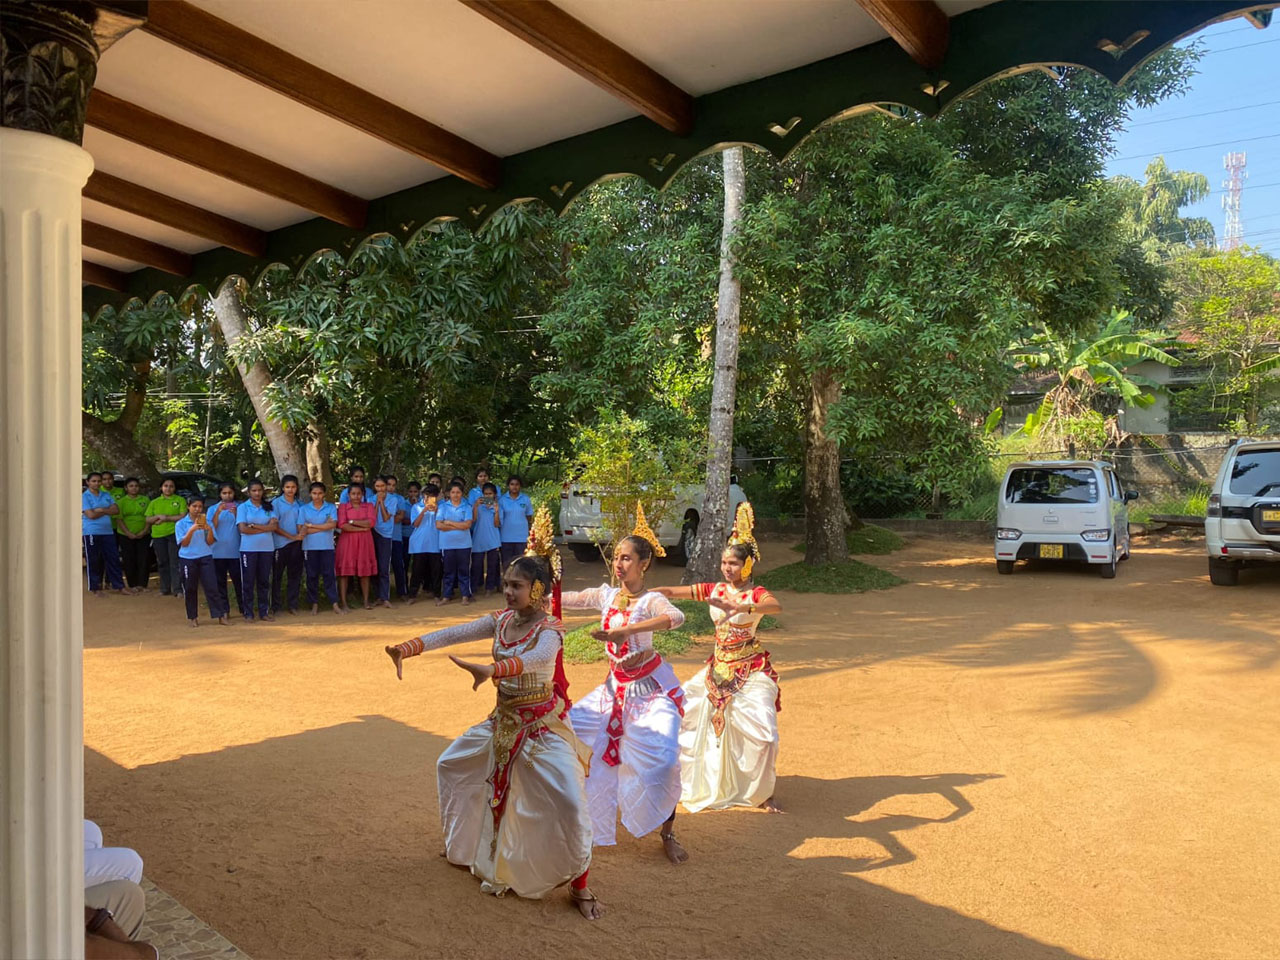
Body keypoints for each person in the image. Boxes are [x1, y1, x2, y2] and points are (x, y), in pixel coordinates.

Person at [384, 556, 601, 919]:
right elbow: (454, 633)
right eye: (505, 584)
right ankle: (466, 847)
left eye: (516, 585)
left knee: (571, 802)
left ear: (537, 590)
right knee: (450, 764)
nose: (507, 592)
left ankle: (581, 885)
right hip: (501, 721)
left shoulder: (550, 630)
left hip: (541, 727)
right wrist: (408, 648)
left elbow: (537, 659)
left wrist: (493, 669)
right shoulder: (500, 621)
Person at [563, 504, 689, 865]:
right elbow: (571, 599)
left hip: (650, 693)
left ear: (644, 563)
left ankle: (668, 831)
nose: (619, 564)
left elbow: (676, 617)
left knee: (664, 760)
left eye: (627, 558)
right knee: (566, 735)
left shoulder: (651, 601)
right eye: (616, 557)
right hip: (611, 691)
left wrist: (628, 630)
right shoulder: (606, 595)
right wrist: (542, 592)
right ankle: (572, 819)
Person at [653, 502, 784, 814]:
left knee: (764, 732)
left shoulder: (756, 594)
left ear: (748, 565)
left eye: (734, 564)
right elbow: (676, 591)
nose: (728, 568)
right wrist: (652, 592)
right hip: (717, 669)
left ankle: (760, 792)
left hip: (750, 670)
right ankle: (689, 781)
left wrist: (745, 608)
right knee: (683, 711)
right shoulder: (716, 590)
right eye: (725, 562)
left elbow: (775, 606)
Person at [175, 497, 230, 627]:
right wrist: (192, 529)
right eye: (194, 506)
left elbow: (210, 542)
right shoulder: (181, 524)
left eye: (200, 507)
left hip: (205, 556)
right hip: (188, 558)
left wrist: (209, 529)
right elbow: (184, 543)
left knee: (212, 586)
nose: (197, 509)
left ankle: (220, 616)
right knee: (190, 588)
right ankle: (192, 617)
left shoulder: (208, 522)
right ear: (188, 507)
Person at [236, 479, 278, 622]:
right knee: (248, 581)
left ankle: (264, 611)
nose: (257, 493)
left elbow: (274, 527)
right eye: (254, 491)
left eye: (259, 490)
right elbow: (243, 529)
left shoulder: (269, 507)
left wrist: (255, 526)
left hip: (267, 549)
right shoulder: (243, 508)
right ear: (248, 492)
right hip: (248, 549)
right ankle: (248, 613)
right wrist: (264, 528)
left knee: (264, 581)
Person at [298, 481, 342, 615]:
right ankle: (314, 604)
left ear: (324, 494)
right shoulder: (304, 509)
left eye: (320, 493)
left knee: (329, 574)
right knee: (312, 575)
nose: (317, 496)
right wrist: (323, 526)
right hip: (309, 547)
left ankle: (334, 603)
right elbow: (301, 530)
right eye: (314, 493)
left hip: (327, 546)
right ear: (310, 494)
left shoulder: (330, 507)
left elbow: (333, 525)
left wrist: (311, 526)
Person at [82, 472, 127, 597]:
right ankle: (95, 587)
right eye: (94, 481)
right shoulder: (84, 497)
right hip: (91, 532)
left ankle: (119, 586)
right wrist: (106, 511)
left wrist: (101, 510)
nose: (97, 483)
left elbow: (116, 510)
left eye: (98, 481)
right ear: (88, 482)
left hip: (107, 531)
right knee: (93, 560)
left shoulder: (106, 495)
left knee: (113, 558)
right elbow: (90, 515)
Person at [335, 482, 376, 611]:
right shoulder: (343, 507)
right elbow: (342, 525)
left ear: (363, 494)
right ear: (348, 495)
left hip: (365, 542)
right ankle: (344, 603)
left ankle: (365, 601)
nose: (356, 496)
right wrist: (362, 528)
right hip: (347, 542)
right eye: (353, 493)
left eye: (359, 493)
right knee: (344, 572)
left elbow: (371, 522)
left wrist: (352, 522)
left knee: (365, 572)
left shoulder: (369, 506)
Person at [210, 483, 246, 619]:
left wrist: (236, 514)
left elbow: (243, 527)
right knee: (220, 583)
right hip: (217, 552)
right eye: (224, 493)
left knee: (239, 581)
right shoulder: (213, 509)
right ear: (220, 494)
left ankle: (244, 609)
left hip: (236, 551)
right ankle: (224, 610)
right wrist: (218, 512)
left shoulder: (240, 507)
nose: (227, 496)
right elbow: (211, 527)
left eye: (230, 493)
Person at [271, 474, 306, 615]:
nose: (290, 490)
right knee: (277, 576)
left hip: (297, 544)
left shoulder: (300, 504)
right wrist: (291, 536)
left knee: (295, 576)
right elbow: (275, 526)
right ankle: (276, 606)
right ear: (282, 488)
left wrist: (301, 534)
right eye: (287, 487)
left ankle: (293, 605)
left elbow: (304, 522)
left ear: (297, 488)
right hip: (280, 544)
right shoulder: (276, 503)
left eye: (293, 487)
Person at [144, 478, 185, 598]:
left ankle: (177, 589)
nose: (168, 488)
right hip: (158, 535)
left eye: (171, 486)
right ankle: (164, 588)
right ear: (161, 488)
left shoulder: (180, 500)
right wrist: (157, 517)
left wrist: (166, 518)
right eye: (165, 486)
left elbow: (182, 516)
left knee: (175, 562)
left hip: (174, 534)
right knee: (162, 562)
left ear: (175, 488)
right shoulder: (154, 502)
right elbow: (147, 519)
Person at [436, 480, 474, 604]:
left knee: (464, 570)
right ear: (449, 493)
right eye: (453, 492)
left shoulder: (467, 507)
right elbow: (439, 525)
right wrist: (458, 525)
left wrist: (450, 522)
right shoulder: (442, 507)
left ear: (462, 493)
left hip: (464, 544)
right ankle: (446, 596)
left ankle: (465, 596)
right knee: (448, 571)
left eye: (458, 492)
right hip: (447, 545)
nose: (455, 495)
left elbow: (467, 525)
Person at [406, 482, 442, 604]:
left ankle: (437, 594)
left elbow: (442, 523)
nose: (428, 498)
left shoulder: (441, 507)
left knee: (436, 571)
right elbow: (415, 524)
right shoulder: (416, 507)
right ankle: (412, 595)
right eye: (426, 495)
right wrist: (424, 511)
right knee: (416, 571)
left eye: (432, 496)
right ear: (423, 495)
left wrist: (436, 510)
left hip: (435, 543)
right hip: (419, 544)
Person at [115, 478, 151, 593]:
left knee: (144, 559)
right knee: (129, 559)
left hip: (143, 534)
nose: (134, 488)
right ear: (126, 488)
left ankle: (143, 584)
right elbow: (119, 519)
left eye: (136, 485)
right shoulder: (121, 502)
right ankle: (132, 584)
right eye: (131, 486)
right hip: (125, 535)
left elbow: (149, 517)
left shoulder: (145, 500)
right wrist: (128, 533)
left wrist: (145, 531)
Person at [369, 476, 400, 609]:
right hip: (373, 533)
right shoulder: (370, 499)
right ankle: (378, 596)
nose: (381, 489)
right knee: (374, 566)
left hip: (386, 534)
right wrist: (377, 502)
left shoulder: (393, 499)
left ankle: (385, 597)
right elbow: (373, 518)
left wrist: (381, 503)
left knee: (384, 566)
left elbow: (387, 517)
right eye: (378, 487)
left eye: (383, 486)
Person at [470, 482, 502, 595]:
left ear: (494, 495)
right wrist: (475, 506)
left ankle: (490, 588)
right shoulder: (478, 506)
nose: (488, 496)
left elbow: (497, 524)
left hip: (493, 540)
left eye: (490, 494)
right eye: (486, 494)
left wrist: (496, 511)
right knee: (476, 565)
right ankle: (473, 588)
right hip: (479, 539)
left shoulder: (497, 507)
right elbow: (473, 520)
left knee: (492, 565)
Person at [498, 475, 534, 571]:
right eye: (512, 484)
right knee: (507, 564)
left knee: (521, 564)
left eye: (517, 484)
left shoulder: (525, 499)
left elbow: (529, 516)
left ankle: (519, 585)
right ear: (508, 486)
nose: (514, 487)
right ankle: (507, 584)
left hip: (521, 537)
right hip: (506, 537)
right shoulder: (502, 500)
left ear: (520, 486)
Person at [384, 474, 408, 599]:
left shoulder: (400, 499)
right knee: (383, 567)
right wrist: (393, 514)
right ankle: (382, 595)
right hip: (381, 537)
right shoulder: (376, 498)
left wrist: (388, 516)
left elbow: (400, 518)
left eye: (393, 485)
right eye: (389, 484)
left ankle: (402, 592)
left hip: (396, 537)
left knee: (399, 565)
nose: (391, 488)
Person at [400, 480, 420, 594]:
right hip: (405, 536)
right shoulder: (403, 502)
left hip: (418, 537)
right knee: (405, 562)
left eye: (415, 491)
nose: (413, 494)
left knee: (417, 564)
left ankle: (416, 587)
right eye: (410, 491)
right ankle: (404, 588)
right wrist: (411, 521)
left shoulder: (422, 503)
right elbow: (401, 519)